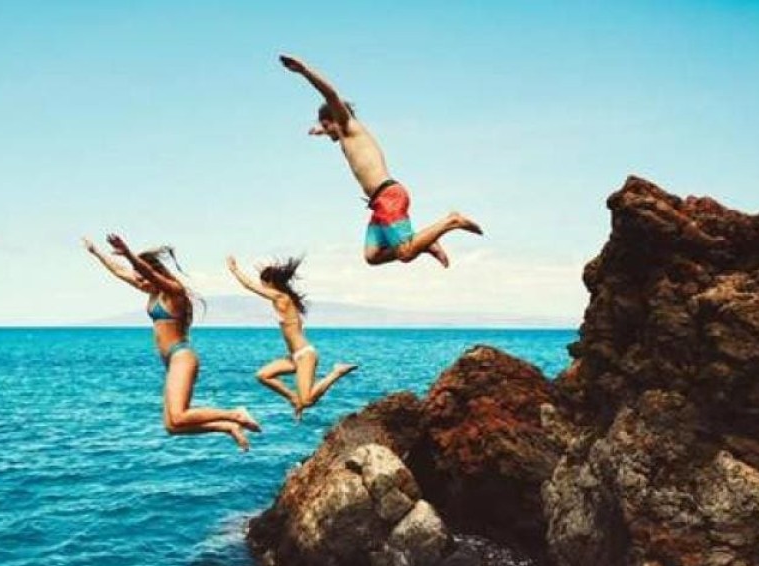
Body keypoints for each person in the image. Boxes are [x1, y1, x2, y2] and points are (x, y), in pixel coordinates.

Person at [279, 54, 483, 267]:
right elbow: (331, 128)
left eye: (325, 125)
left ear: (335, 120)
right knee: (373, 256)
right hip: (379, 202)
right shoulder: (345, 134)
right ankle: (424, 243)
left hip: (389, 196)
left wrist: (304, 71)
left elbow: (330, 94)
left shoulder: (348, 125)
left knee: (405, 253)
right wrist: (320, 131)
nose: (326, 131)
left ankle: (451, 221)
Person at [84, 234, 261, 450]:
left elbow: (147, 272)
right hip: (171, 361)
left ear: (155, 273)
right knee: (172, 426)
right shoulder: (153, 291)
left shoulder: (174, 292)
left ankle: (235, 414)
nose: (138, 278)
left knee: (179, 415)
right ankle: (228, 426)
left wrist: (129, 254)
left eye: (141, 273)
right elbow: (120, 272)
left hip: (181, 356)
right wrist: (97, 253)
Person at [226, 255, 357, 420]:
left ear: (270, 283)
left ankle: (337, 372)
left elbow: (249, 286)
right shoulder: (283, 301)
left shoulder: (282, 298)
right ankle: (293, 398)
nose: (262, 287)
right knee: (262, 375)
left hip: (304, 355)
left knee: (307, 400)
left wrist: (234, 270)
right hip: (294, 357)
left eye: (263, 283)